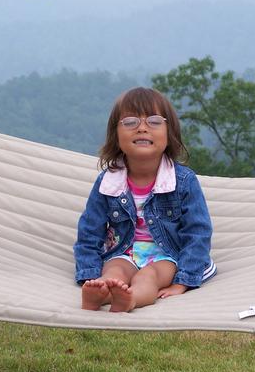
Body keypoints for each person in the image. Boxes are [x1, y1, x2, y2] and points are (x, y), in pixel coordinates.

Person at [74, 87, 216, 312]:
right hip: (124, 251)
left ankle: (131, 300)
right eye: (130, 122)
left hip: (166, 255)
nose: (142, 128)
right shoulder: (109, 181)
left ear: (170, 134)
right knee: (114, 272)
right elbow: (90, 231)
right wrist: (89, 274)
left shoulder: (183, 181)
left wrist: (183, 281)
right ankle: (99, 295)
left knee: (148, 276)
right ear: (116, 136)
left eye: (154, 121)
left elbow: (197, 233)